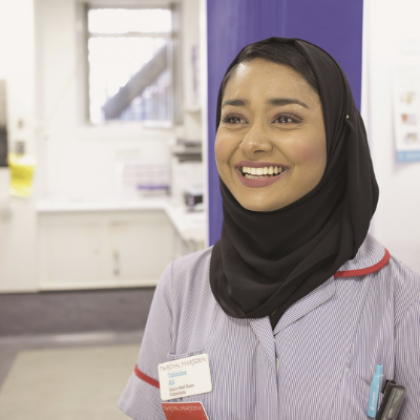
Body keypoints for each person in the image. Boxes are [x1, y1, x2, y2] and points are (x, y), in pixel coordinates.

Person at [118, 37, 420, 420]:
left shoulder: (402, 300)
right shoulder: (182, 286)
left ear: (337, 138)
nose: (253, 142)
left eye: (285, 119)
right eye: (234, 119)